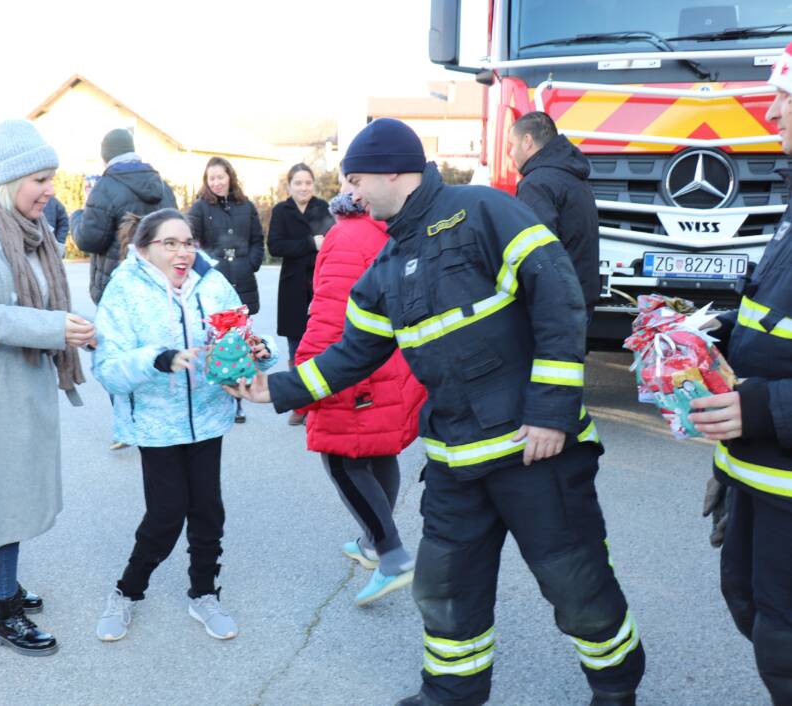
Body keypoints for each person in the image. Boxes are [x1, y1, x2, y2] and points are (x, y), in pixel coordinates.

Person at [230, 118, 643, 706]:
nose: (350, 192)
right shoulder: (387, 264)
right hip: (453, 460)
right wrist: (279, 389)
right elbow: (352, 354)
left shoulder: (484, 211)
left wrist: (552, 411)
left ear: (394, 169)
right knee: (447, 590)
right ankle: (450, 694)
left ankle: (616, 690)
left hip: (535, 451)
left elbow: (558, 294)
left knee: (576, 584)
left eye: (356, 179)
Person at [0, 119, 93, 656]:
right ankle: (4, 609)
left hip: (30, 378)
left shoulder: (37, 231)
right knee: (2, 493)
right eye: (41, 179)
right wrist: (53, 328)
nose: (51, 189)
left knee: (21, 487)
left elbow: (50, 300)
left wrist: (71, 329)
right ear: (11, 180)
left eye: (52, 177)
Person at [92, 208, 275, 643]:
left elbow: (242, 335)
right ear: (144, 248)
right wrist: (157, 359)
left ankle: (205, 592)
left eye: (188, 242)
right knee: (166, 513)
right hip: (156, 423)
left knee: (208, 509)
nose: (183, 252)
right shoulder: (124, 289)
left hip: (209, 416)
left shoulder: (211, 283)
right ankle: (127, 591)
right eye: (170, 243)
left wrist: (259, 351)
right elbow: (108, 368)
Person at [687, 42, 792, 705]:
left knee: (783, 639)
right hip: (756, 473)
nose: (771, 108)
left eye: (786, 95)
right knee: (752, 611)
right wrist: (701, 332)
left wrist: (764, 410)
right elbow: (768, 319)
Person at [295, 183, 426, 605]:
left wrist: (303, 383)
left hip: (350, 367)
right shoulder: (394, 225)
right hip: (392, 364)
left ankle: (391, 555)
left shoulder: (346, 235)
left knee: (341, 458)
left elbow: (330, 315)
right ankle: (373, 543)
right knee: (377, 451)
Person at [187, 156, 265, 423]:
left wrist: (251, 263)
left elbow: (257, 240)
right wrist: (208, 270)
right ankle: (221, 393)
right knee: (217, 343)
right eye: (212, 179)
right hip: (215, 284)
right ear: (206, 182)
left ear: (230, 177)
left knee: (241, 342)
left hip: (242, 278)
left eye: (221, 177)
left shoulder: (246, 206)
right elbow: (192, 243)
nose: (217, 183)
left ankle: (239, 395)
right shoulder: (199, 208)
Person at [508, 111, 600, 318]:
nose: (511, 153)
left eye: (511, 145)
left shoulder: (537, 184)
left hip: (554, 305)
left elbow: (535, 253)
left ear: (527, 141)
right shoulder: (573, 176)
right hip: (579, 297)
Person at [74, 128, 177, 305]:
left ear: (105, 156)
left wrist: (78, 215)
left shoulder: (104, 187)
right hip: (160, 285)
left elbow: (88, 241)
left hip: (117, 291)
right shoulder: (163, 187)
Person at [266, 162, 334, 425]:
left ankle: (322, 400)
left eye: (308, 183)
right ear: (289, 186)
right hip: (293, 285)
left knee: (322, 340)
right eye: (298, 183)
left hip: (320, 283)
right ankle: (299, 402)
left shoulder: (323, 208)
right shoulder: (281, 211)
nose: (303, 187)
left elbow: (333, 240)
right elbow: (275, 246)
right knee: (296, 345)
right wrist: (309, 243)